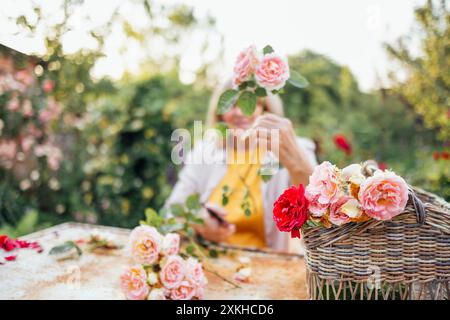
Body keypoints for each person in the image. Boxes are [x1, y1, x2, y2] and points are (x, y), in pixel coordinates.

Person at [165, 82, 317, 252]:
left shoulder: (292, 150)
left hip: (267, 267)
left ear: (267, 111)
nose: (241, 112)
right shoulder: (205, 152)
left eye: (252, 103)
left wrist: (295, 160)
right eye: (232, 104)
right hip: (211, 263)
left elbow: (320, 212)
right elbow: (170, 214)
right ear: (220, 113)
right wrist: (197, 223)